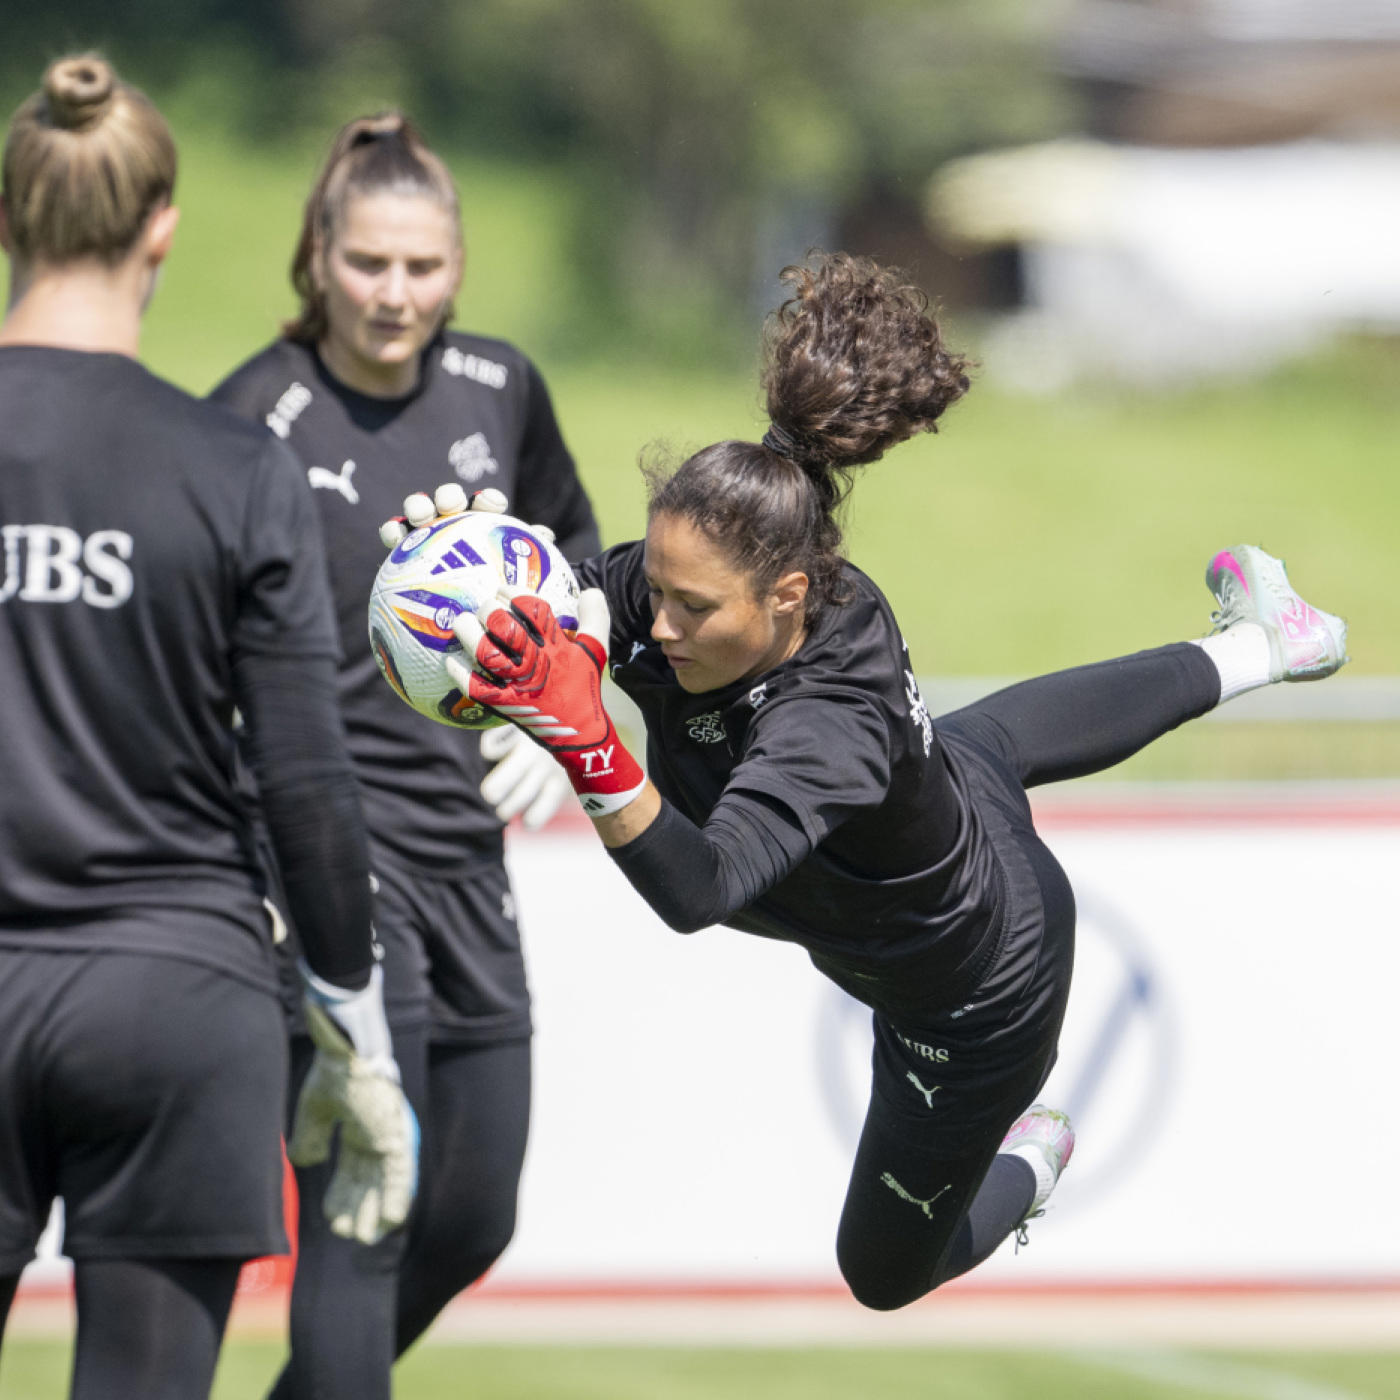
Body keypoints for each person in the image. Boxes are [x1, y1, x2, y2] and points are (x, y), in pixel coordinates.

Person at [388, 251, 1349, 1309]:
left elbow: (701, 889)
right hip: (929, 821)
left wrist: (583, 742)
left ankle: (1030, 1153)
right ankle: (1266, 643)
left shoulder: (827, 723)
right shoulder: (698, 583)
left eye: (690, 608)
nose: (654, 626)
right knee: (976, 750)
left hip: (974, 990)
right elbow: (569, 602)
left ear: (788, 595)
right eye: (651, 588)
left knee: (881, 1274)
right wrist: (471, 576)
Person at [0, 55, 416, 1400]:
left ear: (7, 219)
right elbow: (306, 781)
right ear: (163, 226)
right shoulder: (238, 469)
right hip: (176, 1003)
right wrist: (352, 1026)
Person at [209, 113, 600, 1394]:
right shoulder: (247, 419)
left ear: (459, 265)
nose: (395, 292)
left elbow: (587, 572)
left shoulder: (501, 388)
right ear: (317, 255)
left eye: (422, 266)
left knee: (471, 1212)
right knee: (361, 1225)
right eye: (368, 262)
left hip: (465, 855)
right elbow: (186, 658)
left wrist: (573, 700)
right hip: (323, 871)